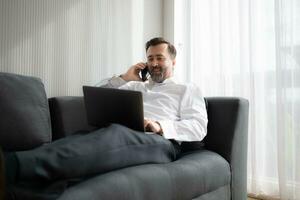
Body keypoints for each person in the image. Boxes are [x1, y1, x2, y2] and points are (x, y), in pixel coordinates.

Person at [0, 37, 207, 198]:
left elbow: (198, 127)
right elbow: (94, 93)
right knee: (83, 138)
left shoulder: (186, 89)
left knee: (115, 136)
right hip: (121, 131)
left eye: (159, 58)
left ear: (173, 61)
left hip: (161, 142)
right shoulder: (135, 85)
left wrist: (159, 125)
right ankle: (20, 191)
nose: (154, 63)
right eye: (150, 58)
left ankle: (12, 165)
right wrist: (125, 77)